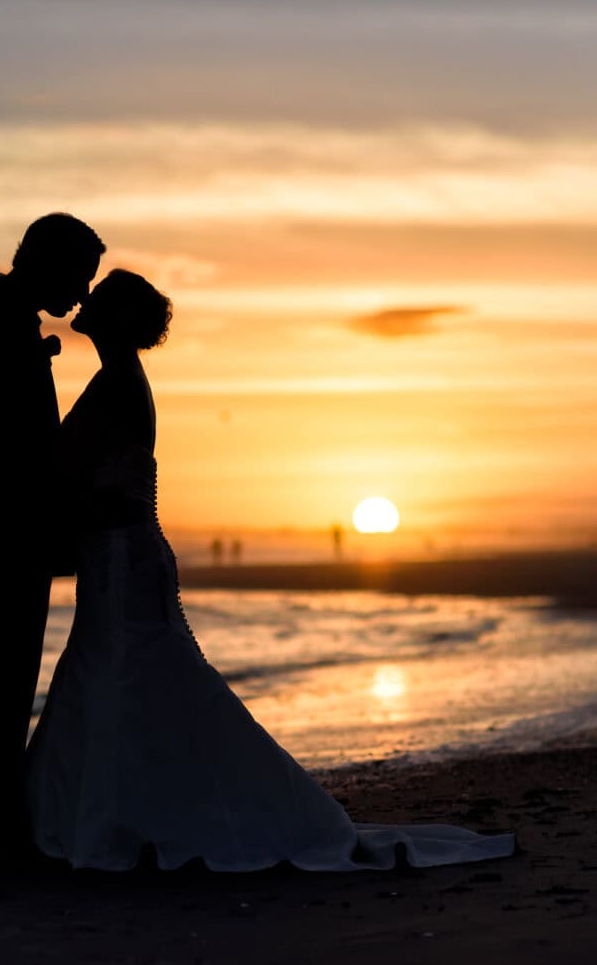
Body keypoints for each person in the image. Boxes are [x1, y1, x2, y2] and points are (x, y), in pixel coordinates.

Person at [26, 270, 514, 871]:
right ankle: (108, 812)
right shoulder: (116, 381)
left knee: (129, 676)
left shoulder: (118, 384)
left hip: (123, 558)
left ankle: (116, 817)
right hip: (118, 556)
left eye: (101, 294)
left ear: (118, 317)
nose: (85, 297)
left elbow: (67, 472)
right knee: (124, 677)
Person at [0, 213, 103, 870]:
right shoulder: (0, 326)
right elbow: (17, 453)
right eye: (80, 277)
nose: (84, 296)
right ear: (49, 262)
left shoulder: (1, 316)